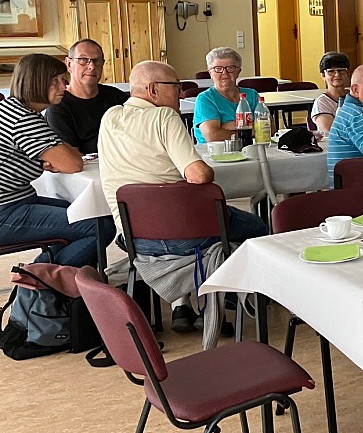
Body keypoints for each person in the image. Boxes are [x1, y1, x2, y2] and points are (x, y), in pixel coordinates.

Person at [98, 61, 269, 331]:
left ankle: (194, 301)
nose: (180, 94)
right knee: (258, 226)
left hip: (134, 238)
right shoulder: (165, 117)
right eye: (175, 87)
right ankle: (233, 298)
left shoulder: (109, 117)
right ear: (153, 90)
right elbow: (198, 175)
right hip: (183, 235)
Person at [0, 54, 114, 268]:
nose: (64, 85)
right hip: (6, 211)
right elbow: (73, 164)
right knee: (100, 228)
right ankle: (39, 279)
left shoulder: (13, 109)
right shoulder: (23, 119)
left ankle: (47, 277)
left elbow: (65, 155)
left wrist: (54, 157)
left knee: (84, 211)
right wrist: (54, 157)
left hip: (17, 201)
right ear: (36, 82)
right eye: (56, 81)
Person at [43, 39, 128, 154]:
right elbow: (72, 157)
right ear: (69, 64)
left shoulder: (116, 96)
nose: (92, 66)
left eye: (97, 61)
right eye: (83, 60)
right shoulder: (58, 107)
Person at [193, 47, 259, 144]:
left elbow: (269, 128)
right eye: (218, 69)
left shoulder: (252, 95)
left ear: (238, 72)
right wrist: (249, 129)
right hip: (214, 154)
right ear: (210, 73)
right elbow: (213, 136)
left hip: (250, 150)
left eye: (230, 68)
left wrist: (225, 126)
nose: (224, 73)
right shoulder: (205, 99)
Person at [311, 51, 350, 132]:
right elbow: (329, 132)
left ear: (347, 73)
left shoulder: (355, 95)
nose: (337, 75)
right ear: (323, 76)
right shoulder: (322, 103)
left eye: (341, 70)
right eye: (331, 71)